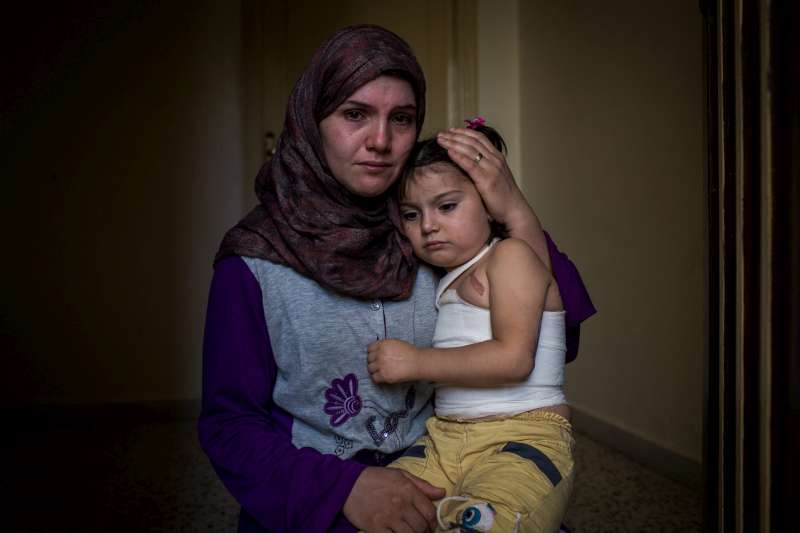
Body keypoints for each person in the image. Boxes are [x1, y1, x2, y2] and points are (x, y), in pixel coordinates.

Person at [198, 25, 595, 533]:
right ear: (310, 121)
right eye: (355, 114)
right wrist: (344, 487)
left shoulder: (433, 228)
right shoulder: (254, 261)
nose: (381, 141)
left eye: (402, 119)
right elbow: (230, 425)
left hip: (453, 472)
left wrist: (515, 208)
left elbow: (557, 339)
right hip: (320, 492)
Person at [368, 123, 573, 532]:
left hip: (522, 436)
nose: (428, 225)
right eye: (412, 214)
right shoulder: (448, 276)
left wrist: (416, 362)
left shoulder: (510, 257)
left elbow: (514, 359)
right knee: (390, 514)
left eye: (447, 206)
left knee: (488, 523)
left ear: (488, 207)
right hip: (442, 439)